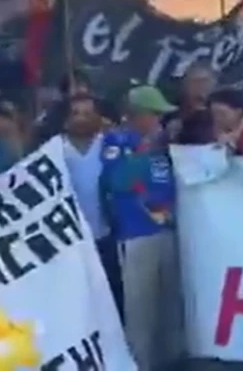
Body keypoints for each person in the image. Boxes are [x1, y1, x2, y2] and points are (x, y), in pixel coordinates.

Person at [100, 85, 183, 370]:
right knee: (141, 312)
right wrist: (144, 147)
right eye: (155, 114)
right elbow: (117, 181)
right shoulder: (116, 141)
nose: (160, 120)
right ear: (138, 115)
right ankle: (140, 365)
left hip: (169, 232)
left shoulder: (164, 145)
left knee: (171, 306)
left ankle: (172, 362)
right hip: (136, 235)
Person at [49, 94, 121, 307]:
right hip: (72, 240)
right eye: (75, 113)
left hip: (106, 235)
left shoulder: (111, 142)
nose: (81, 119)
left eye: (88, 113)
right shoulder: (54, 149)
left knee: (113, 294)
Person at [163, 63, 216, 144]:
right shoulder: (170, 112)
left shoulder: (216, 115)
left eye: (204, 82)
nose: (200, 87)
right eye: (195, 82)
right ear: (185, 84)